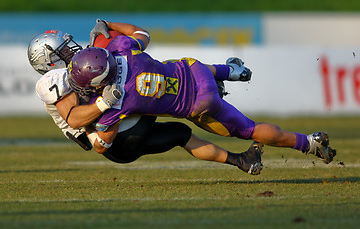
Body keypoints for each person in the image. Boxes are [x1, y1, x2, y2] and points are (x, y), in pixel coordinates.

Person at [67, 22, 337, 167]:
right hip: (196, 71)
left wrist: (92, 126)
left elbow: (103, 145)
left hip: (199, 104)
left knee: (249, 130)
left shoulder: (116, 102)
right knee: (176, 64)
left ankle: (307, 142)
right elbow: (142, 33)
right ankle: (230, 71)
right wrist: (108, 24)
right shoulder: (121, 47)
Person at [27, 20, 263, 175]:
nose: (71, 49)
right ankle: (205, 86)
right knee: (151, 86)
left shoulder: (81, 66)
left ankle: (242, 161)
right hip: (111, 137)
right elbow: (75, 119)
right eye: (64, 49)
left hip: (122, 139)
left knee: (180, 133)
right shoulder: (54, 79)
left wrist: (101, 41)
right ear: (50, 61)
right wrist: (104, 102)